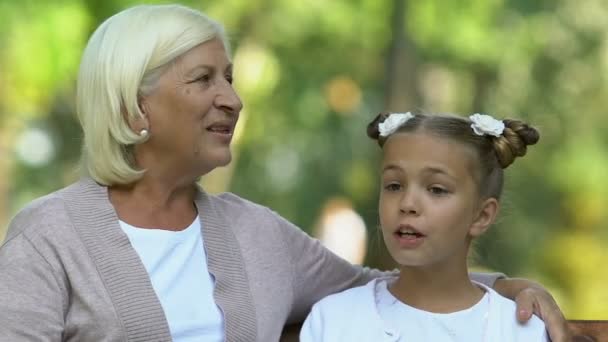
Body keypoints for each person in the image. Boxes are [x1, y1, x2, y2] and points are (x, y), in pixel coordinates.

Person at [0, 4, 568, 342]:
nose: (233, 99)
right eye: (204, 80)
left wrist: (507, 288)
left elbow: (389, 289)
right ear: (132, 105)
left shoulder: (256, 233)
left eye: (229, 77)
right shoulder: (49, 236)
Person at [300, 112, 551, 341]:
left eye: (436, 189)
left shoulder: (519, 330)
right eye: (394, 186)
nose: (407, 204)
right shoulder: (333, 321)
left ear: (481, 216)